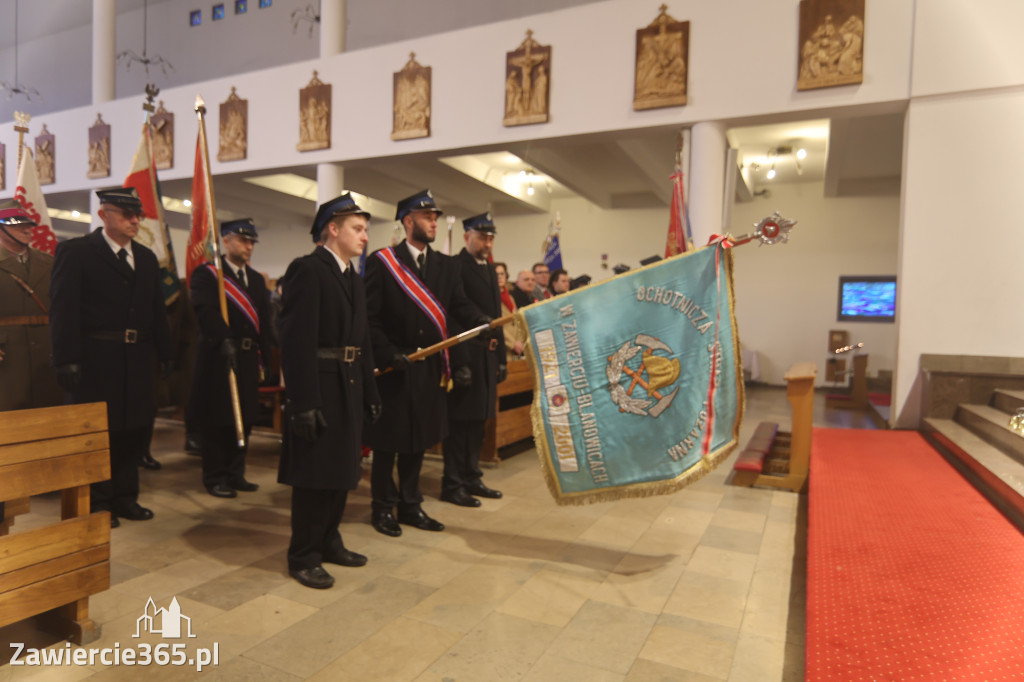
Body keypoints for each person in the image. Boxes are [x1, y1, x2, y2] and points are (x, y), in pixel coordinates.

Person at [363, 189, 487, 537]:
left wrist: (484, 321)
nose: (433, 221)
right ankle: (382, 507)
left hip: (429, 368)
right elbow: (369, 319)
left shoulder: (446, 266)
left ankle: (410, 505)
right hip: (394, 367)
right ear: (407, 222)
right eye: (426, 216)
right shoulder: (382, 262)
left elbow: (458, 308)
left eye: (435, 217)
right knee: (389, 444)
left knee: (419, 441)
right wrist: (388, 353)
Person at [49, 187, 171, 529]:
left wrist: (166, 351)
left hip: (136, 358)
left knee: (134, 429)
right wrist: (65, 358)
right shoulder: (77, 252)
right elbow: (63, 308)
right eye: (127, 214)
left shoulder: (145, 258)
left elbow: (155, 311)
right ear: (104, 215)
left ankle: (125, 496)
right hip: (94, 359)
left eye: (138, 215)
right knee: (98, 432)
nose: (136, 221)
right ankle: (98, 502)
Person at [277, 193, 381, 590]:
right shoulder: (308, 269)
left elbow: (363, 340)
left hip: (349, 383)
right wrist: (302, 402)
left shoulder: (353, 277)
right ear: (332, 230)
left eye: (366, 229)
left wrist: (370, 392)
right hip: (319, 385)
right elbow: (295, 340)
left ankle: (329, 541)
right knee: (314, 474)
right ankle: (303, 554)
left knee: (341, 471)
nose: (365, 236)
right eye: (358, 228)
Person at [189, 218, 272, 498]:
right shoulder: (208, 275)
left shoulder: (257, 280)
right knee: (218, 418)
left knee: (245, 416)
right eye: (243, 240)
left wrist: (268, 359)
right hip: (218, 355)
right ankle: (215, 476)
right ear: (225, 241)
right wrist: (224, 338)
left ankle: (236, 473)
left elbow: (264, 322)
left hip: (248, 356)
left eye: (252, 242)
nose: (249, 246)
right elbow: (206, 311)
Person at [442, 213, 506, 507]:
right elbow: (452, 317)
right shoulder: (455, 266)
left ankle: (472, 476)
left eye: (490, 238)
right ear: (467, 236)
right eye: (482, 237)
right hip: (467, 355)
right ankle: (453, 483)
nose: (487, 243)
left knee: (478, 422)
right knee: (460, 424)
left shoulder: (490, 270)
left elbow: (496, 317)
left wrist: (502, 358)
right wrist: (460, 362)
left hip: (488, 356)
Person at [0, 201, 62, 411]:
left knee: (50, 417)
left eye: (27, 224)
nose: (26, 229)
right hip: (8, 357)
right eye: (17, 224)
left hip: (47, 355)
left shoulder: (51, 262)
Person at [494, 261, 525, 359]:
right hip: (503, 347)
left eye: (502, 273)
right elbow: (496, 323)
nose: (499, 277)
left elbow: (517, 321)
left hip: (516, 348)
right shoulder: (491, 298)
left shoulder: (510, 297)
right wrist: (512, 343)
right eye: (496, 274)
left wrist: (520, 341)